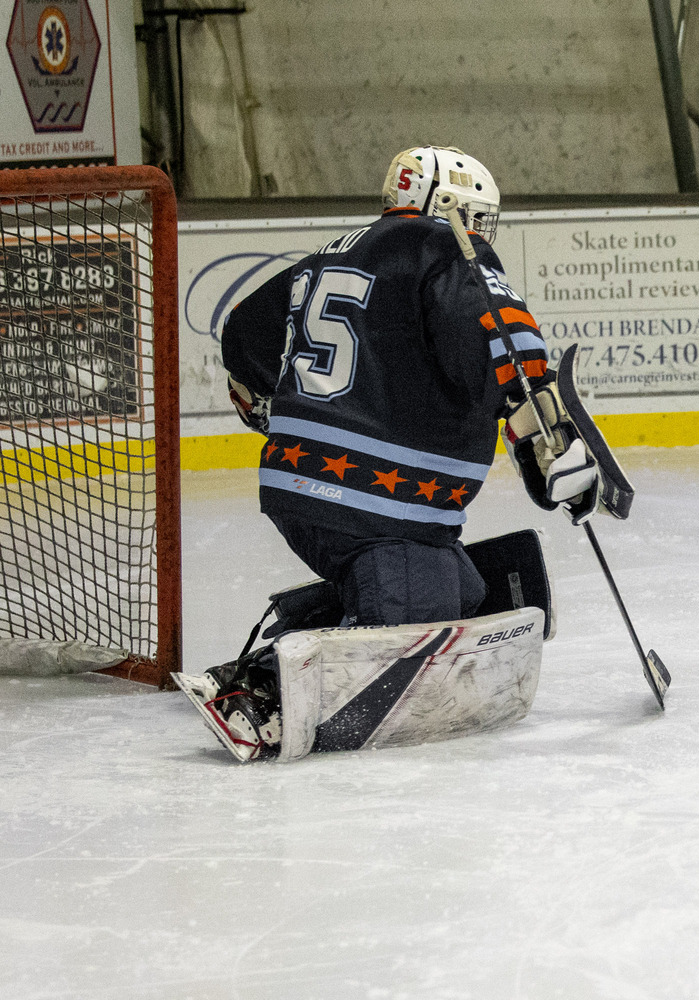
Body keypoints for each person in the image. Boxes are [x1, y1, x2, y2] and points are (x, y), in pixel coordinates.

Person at [201, 145, 598, 756]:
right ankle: (261, 692)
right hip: (375, 502)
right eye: (473, 214)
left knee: (465, 591)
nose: (479, 230)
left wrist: (281, 413)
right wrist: (550, 445)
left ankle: (309, 628)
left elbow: (244, 333)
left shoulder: (325, 258)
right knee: (421, 616)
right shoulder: (444, 248)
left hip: (302, 487)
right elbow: (500, 343)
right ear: (444, 206)